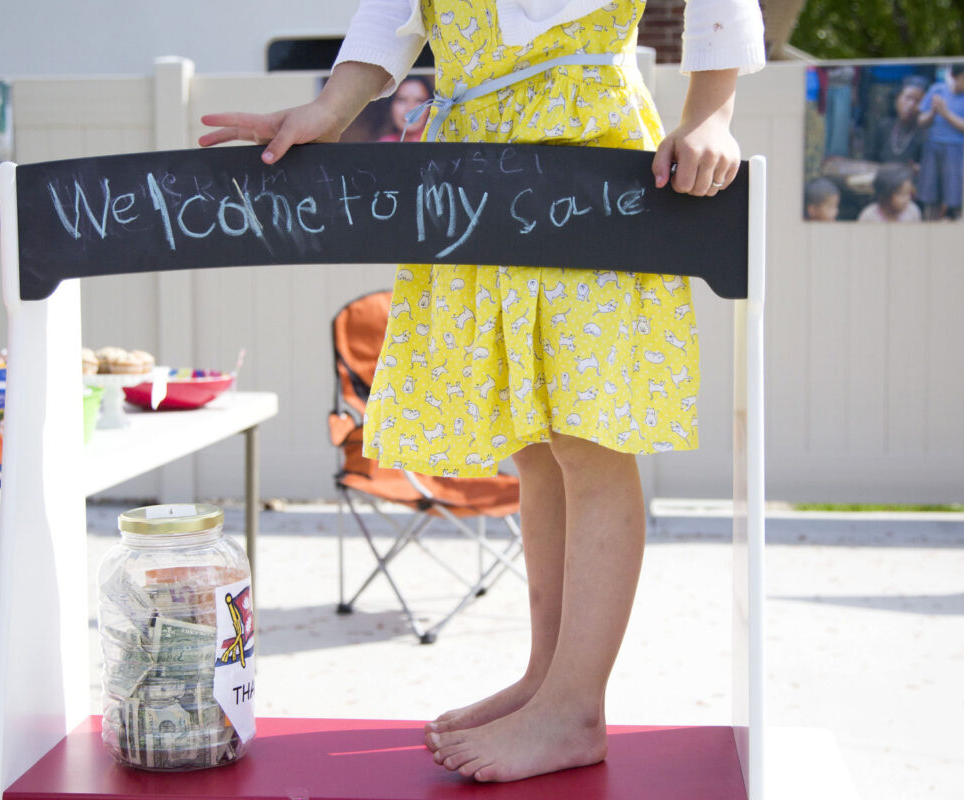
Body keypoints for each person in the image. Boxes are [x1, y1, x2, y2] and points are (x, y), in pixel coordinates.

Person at [201, 0, 765, 783]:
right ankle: (547, 680)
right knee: (534, 441)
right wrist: (331, 108)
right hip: (471, 157)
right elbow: (394, 11)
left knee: (590, 437)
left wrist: (712, 111)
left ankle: (576, 708)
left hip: (586, 142)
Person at [917, 63, 964, 220]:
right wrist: (932, 112)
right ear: (954, 77)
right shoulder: (937, 90)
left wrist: (946, 114)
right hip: (933, 146)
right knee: (930, 195)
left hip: (957, 149)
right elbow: (921, 121)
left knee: (955, 195)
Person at [865, 75, 926, 169]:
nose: (910, 105)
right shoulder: (883, 127)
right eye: (907, 98)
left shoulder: (924, 135)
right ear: (897, 98)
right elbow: (869, 160)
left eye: (917, 101)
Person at [376, 75, 432, 141]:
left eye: (419, 101)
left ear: (431, 108)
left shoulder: (440, 143)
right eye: (402, 100)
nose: (410, 109)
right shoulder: (382, 145)